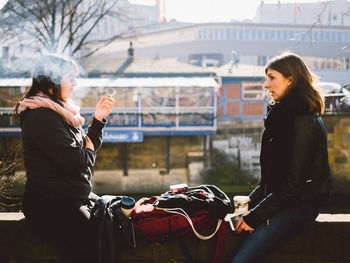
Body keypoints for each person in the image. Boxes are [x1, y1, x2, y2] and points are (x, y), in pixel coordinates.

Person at [231, 52, 333, 263]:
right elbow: (270, 179)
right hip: (284, 199)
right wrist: (247, 204)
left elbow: (294, 184)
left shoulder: (304, 120)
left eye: (272, 78)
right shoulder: (281, 117)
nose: (266, 85)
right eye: (266, 78)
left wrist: (255, 216)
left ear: (291, 80)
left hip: (302, 204)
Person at [14, 54, 115, 263]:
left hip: (70, 195)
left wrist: (97, 119)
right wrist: (87, 149)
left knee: (112, 212)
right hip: (50, 203)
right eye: (71, 77)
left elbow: (85, 150)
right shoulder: (41, 116)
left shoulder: (60, 112)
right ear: (53, 79)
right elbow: (76, 161)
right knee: (91, 239)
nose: (76, 83)